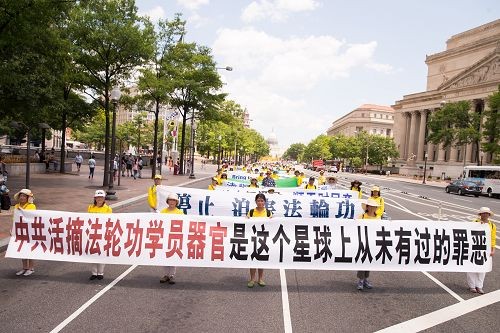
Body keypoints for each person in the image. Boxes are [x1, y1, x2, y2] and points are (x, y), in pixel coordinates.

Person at [466, 207, 496, 294]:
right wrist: (479, 225)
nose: (485, 214)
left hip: (485, 249)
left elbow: (493, 239)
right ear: (480, 214)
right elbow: (468, 233)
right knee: (471, 267)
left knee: (483, 268)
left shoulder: (492, 225)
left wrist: (493, 250)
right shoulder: (474, 223)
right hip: (474, 247)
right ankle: (472, 286)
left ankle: (479, 286)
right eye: (483, 213)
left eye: (487, 213)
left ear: (489, 215)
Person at [246, 193, 272, 288]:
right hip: (253, 239)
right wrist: (246, 219)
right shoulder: (251, 212)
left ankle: (260, 279)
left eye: (262, 200)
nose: (260, 202)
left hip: (263, 240)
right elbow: (246, 223)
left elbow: (272, 226)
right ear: (256, 202)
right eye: (258, 200)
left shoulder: (268, 213)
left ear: (264, 202)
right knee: (252, 260)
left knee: (261, 260)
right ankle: (252, 279)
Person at [356, 198, 381, 290]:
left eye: (374, 207)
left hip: (373, 243)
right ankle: (361, 280)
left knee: (369, 262)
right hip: (362, 242)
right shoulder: (361, 217)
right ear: (367, 207)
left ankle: (366, 279)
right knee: (362, 261)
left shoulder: (378, 218)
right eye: (370, 206)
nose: (372, 208)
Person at [159, 193, 183, 284]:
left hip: (175, 237)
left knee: (173, 256)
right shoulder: (163, 212)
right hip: (165, 237)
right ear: (167, 201)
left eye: (174, 200)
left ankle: (172, 275)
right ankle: (166, 275)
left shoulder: (180, 213)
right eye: (170, 200)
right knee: (164, 256)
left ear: (176, 202)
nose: (172, 202)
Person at [88, 190, 112, 280]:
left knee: (101, 254)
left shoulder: (108, 209)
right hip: (92, 234)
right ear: (95, 198)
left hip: (103, 235)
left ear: (104, 198)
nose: (99, 199)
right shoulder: (90, 208)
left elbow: (109, 222)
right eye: (98, 197)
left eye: (101, 197)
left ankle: (100, 273)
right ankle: (94, 273)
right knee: (93, 254)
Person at [13, 189, 36, 276]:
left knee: (29, 249)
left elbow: (30, 217)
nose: (22, 197)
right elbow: (15, 219)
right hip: (20, 230)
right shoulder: (16, 206)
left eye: (24, 196)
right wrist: (13, 229)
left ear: (28, 198)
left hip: (29, 231)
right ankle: (24, 268)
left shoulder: (31, 206)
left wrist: (21, 211)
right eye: (21, 196)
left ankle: (31, 268)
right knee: (22, 249)